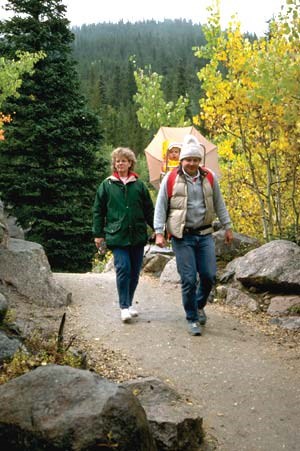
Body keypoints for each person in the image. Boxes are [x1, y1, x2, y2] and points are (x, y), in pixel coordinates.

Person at [154, 134, 233, 336]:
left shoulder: (209, 177)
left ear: (200, 161)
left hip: (205, 234)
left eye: (195, 160)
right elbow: (161, 206)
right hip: (182, 236)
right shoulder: (171, 178)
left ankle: (199, 305)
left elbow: (219, 202)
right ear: (182, 161)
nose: (192, 163)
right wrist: (159, 232)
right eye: (188, 160)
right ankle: (192, 318)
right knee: (188, 279)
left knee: (208, 276)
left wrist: (227, 226)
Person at [93, 147, 154, 323]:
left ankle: (129, 302)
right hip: (117, 235)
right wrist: (98, 234)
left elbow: (149, 210)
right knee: (123, 268)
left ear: (130, 163)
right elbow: (98, 210)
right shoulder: (107, 185)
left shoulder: (139, 185)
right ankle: (124, 307)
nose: (120, 163)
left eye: (124, 160)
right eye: (117, 161)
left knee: (134, 272)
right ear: (114, 163)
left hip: (137, 235)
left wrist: (158, 230)